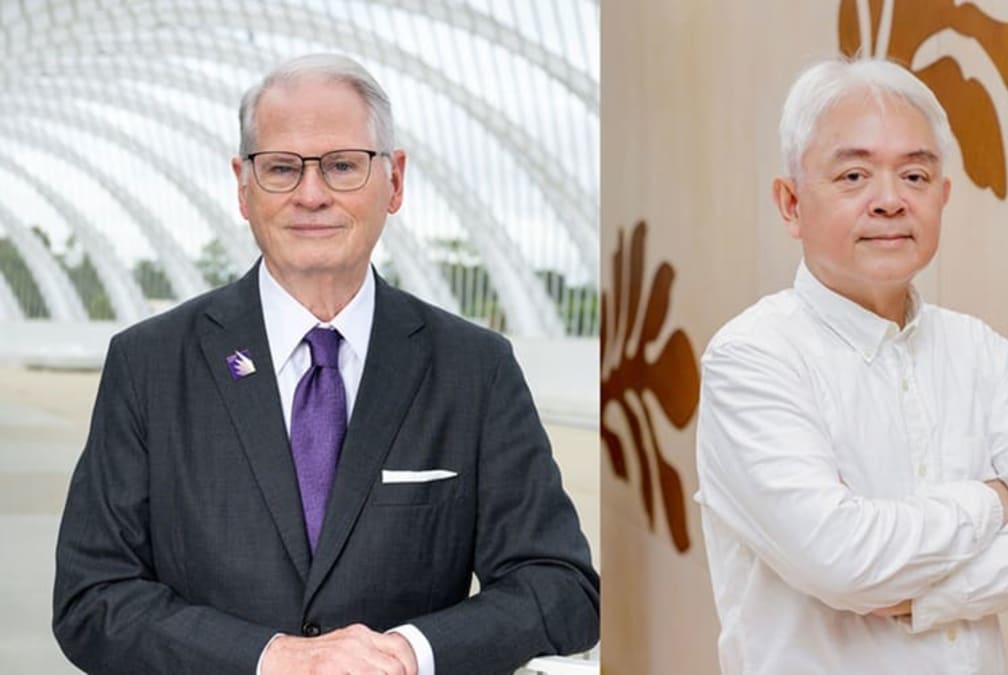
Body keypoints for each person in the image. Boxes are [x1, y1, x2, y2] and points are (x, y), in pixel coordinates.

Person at [52, 54, 599, 675]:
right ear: (242, 186)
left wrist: (405, 654)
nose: (312, 195)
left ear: (393, 182)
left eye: (342, 166)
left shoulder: (475, 369)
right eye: (281, 168)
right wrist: (271, 659)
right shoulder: (149, 365)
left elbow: (561, 588)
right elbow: (91, 598)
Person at [694, 57, 1008, 674]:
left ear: (943, 197)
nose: (889, 201)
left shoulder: (979, 350)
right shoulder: (751, 358)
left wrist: (925, 597)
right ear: (791, 203)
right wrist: (997, 501)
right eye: (854, 175)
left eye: (914, 176)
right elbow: (843, 559)